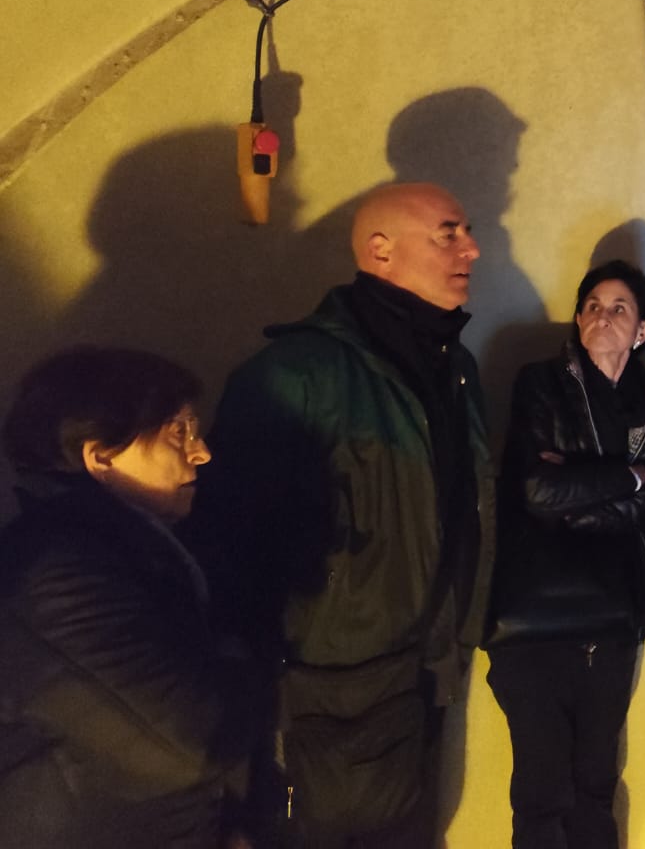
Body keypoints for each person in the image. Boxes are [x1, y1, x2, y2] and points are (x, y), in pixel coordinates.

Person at [187, 182, 497, 847]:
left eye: (468, 231)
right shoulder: (294, 375)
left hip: (431, 663)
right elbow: (230, 548)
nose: (472, 248)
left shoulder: (455, 367)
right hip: (332, 685)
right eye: (449, 232)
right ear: (381, 251)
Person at [0, 347, 272, 849]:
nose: (202, 452)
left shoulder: (139, 547)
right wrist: (248, 663)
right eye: (179, 432)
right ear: (100, 457)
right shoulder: (52, 573)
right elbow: (195, 739)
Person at [486, 259, 645, 849]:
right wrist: (629, 478)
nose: (602, 315)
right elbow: (537, 492)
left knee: (596, 785)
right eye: (592, 305)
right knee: (542, 794)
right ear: (577, 318)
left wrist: (580, 494)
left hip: (615, 620)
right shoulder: (541, 383)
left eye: (619, 307)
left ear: (643, 329)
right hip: (536, 626)